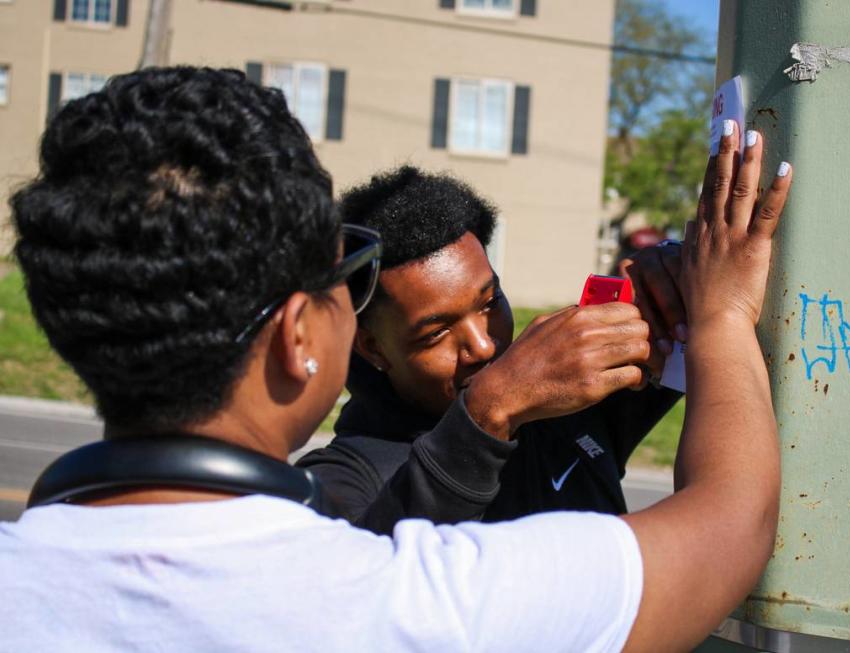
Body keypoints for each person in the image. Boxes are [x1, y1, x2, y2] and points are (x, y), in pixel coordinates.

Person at [0, 65, 791, 653]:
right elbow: (732, 521)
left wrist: (673, 306)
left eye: (488, 303)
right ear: (303, 337)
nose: (482, 346)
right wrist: (722, 314)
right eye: (344, 280)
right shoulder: (412, 598)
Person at [297, 165, 687, 534]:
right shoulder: (343, 479)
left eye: (489, 302)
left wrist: (670, 277)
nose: (483, 346)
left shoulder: (567, 399)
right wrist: (490, 411)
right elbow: (366, 586)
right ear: (373, 348)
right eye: (436, 334)